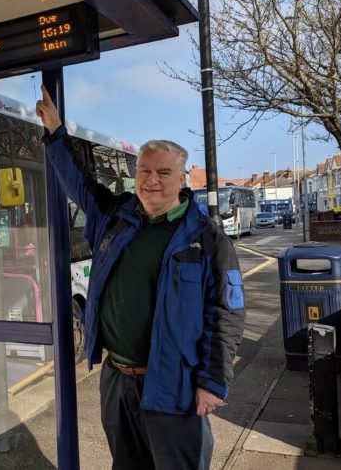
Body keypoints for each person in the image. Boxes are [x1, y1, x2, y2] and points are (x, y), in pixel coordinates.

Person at [36, 86, 245, 470]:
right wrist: (55, 133)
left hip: (175, 384)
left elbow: (227, 315)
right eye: (144, 171)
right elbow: (79, 183)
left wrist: (212, 382)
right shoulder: (115, 218)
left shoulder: (208, 239)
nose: (152, 180)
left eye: (163, 172)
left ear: (182, 177)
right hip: (117, 378)